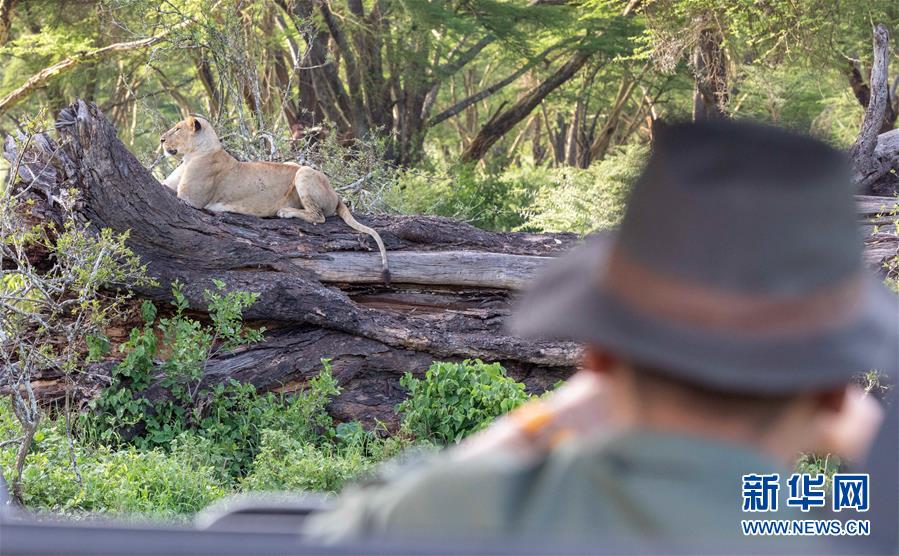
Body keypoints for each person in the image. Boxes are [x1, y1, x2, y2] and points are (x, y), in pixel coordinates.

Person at [302, 121, 897, 548]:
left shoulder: (467, 512)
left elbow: (345, 533)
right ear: (830, 390)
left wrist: (546, 418)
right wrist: (871, 441)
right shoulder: (833, 533)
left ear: (598, 358)